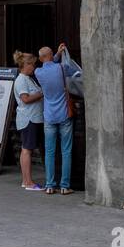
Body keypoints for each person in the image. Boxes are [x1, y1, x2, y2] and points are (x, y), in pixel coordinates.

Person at [36, 46, 73, 194]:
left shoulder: (38, 73)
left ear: (40, 59)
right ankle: (64, 186)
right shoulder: (61, 68)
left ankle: (50, 185)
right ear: (51, 55)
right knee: (66, 151)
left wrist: (54, 54)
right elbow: (70, 69)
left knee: (49, 152)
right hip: (64, 114)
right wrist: (58, 54)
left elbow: (49, 62)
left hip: (49, 116)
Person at [13, 53, 45, 191]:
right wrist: (42, 93)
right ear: (25, 65)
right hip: (28, 119)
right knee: (27, 149)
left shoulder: (29, 79)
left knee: (28, 149)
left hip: (34, 118)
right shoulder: (21, 80)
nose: (34, 67)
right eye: (32, 64)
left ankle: (27, 180)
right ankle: (27, 182)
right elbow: (25, 99)